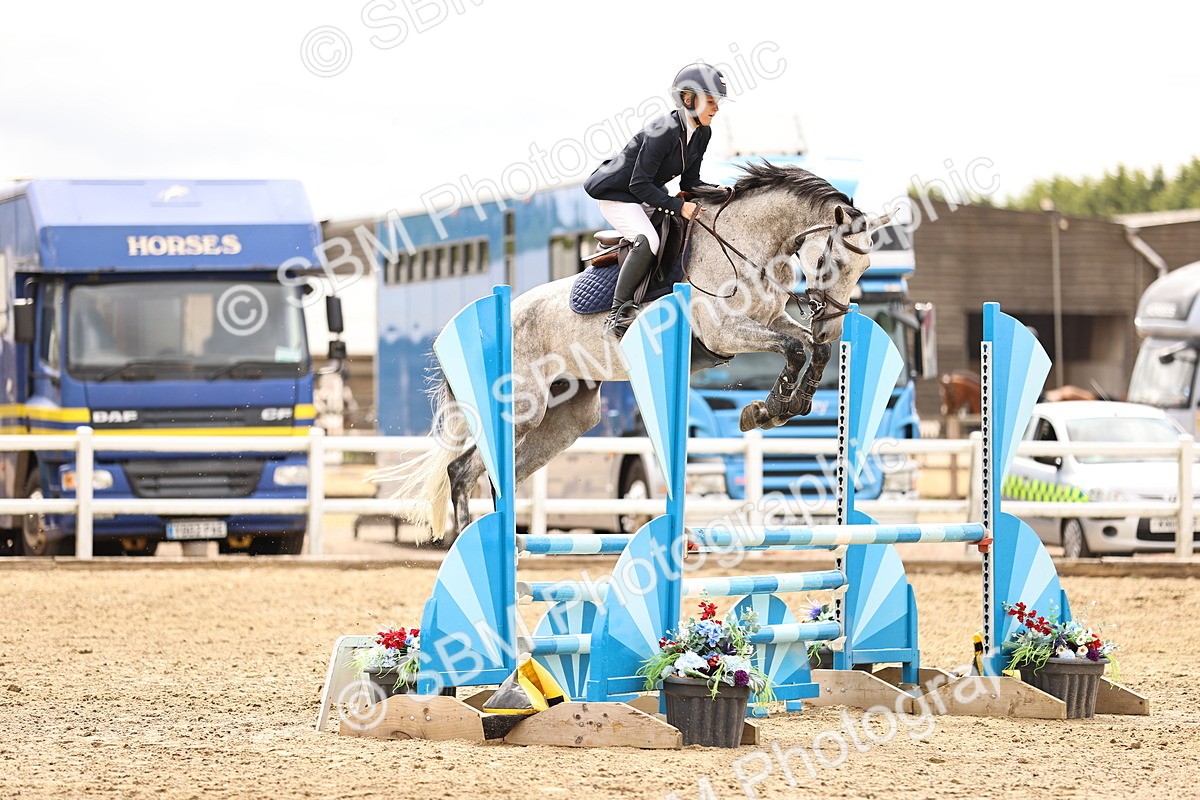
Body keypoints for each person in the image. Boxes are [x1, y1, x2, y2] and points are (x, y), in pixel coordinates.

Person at [584, 62, 729, 338]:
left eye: (717, 101)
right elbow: (638, 183)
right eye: (710, 101)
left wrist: (718, 193)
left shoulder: (702, 133)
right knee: (648, 240)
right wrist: (678, 206)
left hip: (644, 193)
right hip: (618, 194)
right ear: (688, 99)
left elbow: (690, 182)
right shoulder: (663, 130)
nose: (716, 108)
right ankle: (618, 313)